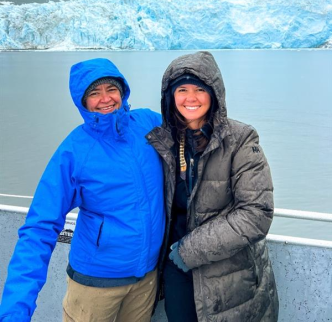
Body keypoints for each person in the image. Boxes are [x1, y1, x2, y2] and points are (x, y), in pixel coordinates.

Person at [0, 58, 165, 322]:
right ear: (82, 101)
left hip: (146, 281)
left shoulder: (147, 124)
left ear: (122, 91)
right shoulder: (75, 151)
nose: (105, 98)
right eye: (93, 93)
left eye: (111, 89)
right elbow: (39, 227)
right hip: (95, 286)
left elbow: (191, 126)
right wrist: (14, 311)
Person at [146, 51, 279, 322]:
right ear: (170, 96)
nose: (190, 98)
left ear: (214, 93)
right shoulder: (164, 141)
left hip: (228, 275)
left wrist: (190, 250)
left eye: (199, 89)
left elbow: (256, 214)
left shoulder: (240, 140)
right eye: (181, 89)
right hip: (176, 271)